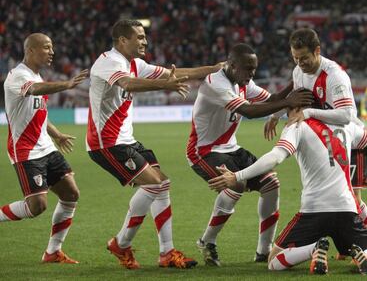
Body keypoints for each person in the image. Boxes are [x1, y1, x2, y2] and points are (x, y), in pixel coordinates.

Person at [87, 19, 224, 270]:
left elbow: (176, 73)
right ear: (122, 41)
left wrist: (213, 69)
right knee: (155, 184)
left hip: (125, 140)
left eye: (144, 36)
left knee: (162, 184)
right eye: (139, 37)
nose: (145, 41)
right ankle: (122, 243)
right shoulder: (109, 61)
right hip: (106, 143)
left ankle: (166, 253)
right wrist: (165, 84)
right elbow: (127, 83)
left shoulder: (135, 64)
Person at [209, 108, 367, 276]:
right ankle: (366, 258)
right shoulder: (346, 126)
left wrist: (238, 176)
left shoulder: (297, 126)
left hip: (313, 212)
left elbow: (275, 157)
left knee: (274, 261)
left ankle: (314, 249)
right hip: (346, 209)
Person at [186, 43, 314, 266]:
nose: (252, 74)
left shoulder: (243, 82)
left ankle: (263, 252)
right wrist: (288, 101)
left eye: (254, 69)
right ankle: (207, 241)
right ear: (232, 65)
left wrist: (296, 82)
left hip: (231, 148)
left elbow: (272, 100)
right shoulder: (215, 83)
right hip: (204, 152)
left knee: (271, 184)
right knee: (234, 184)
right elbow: (248, 111)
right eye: (248, 69)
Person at [264, 28, 367, 250]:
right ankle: (346, 248)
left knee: (353, 199)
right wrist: (275, 115)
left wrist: (309, 113)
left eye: (304, 58)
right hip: (324, 141)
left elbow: (346, 116)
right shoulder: (299, 71)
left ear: (317, 50)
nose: (300, 63)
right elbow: (295, 96)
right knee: (334, 196)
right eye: (295, 58)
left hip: (348, 140)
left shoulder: (335, 76)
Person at [1, 33, 88, 263]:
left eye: (52, 47)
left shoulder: (36, 75)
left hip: (46, 147)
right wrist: (67, 85)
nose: (52, 52)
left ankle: (53, 252)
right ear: (30, 50)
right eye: (47, 47)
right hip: (26, 150)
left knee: (71, 193)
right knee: (36, 206)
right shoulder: (18, 76)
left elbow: (37, 113)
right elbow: (36, 90)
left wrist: (56, 134)